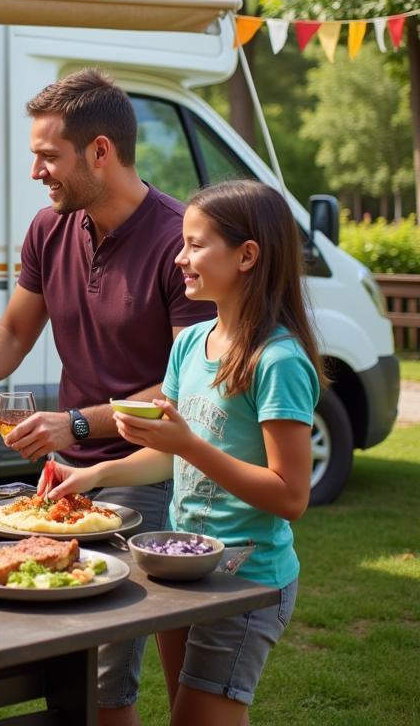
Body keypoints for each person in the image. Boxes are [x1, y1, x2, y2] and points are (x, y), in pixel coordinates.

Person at [0, 69, 213, 726]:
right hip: (65, 480)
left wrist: (76, 423)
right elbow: (16, 329)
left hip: (148, 472)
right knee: (38, 645)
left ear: (99, 151)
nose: (35, 171)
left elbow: (186, 386)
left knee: (107, 672)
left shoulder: (181, 243)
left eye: (48, 156)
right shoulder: (51, 229)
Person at [44, 179, 322, 725]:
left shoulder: (278, 362)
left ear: (247, 256)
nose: (179, 257)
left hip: (247, 576)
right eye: (183, 243)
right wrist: (95, 474)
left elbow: (290, 496)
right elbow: (167, 456)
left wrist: (188, 443)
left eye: (195, 245)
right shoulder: (192, 344)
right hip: (184, 562)